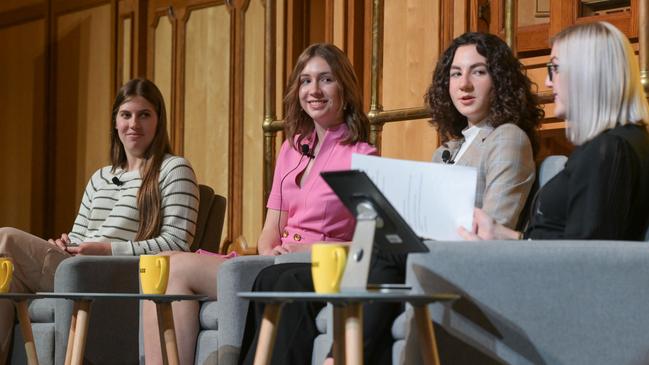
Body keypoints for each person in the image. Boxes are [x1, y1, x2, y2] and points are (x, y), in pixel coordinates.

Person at [240, 32, 544, 365]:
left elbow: (494, 228)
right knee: (277, 278)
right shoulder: (449, 148)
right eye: (456, 73)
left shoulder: (507, 138)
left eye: (479, 72)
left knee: (382, 247)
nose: (464, 84)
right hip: (419, 254)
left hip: (455, 261)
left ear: (499, 79)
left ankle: (338, 358)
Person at [142, 43, 377, 364]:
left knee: (179, 265)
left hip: (317, 267)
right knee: (163, 263)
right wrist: (272, 252)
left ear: (345, 89)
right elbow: (270, 230)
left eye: (326, 79)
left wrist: (304, 252)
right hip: (272, 261)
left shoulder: (363, 157)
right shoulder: (292, 149)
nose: (314, 90)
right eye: (305, 81)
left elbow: (370, 244)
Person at [0, 78, 199, 362]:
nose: (134, 124)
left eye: (144, 115)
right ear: (115, 122)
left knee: (4, 238)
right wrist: (65, 242)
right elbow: (80, 235)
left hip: (118, 273)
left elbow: (177, 243)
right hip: (78, 266)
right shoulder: (100, 176)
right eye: (126, 115)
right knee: (5, 274)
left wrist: (107, 249)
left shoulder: (173, 168)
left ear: (158, 121)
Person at [460, 21, 649, 242]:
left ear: (586, 73)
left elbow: (584, 263)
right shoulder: (622, 142)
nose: (548, 82)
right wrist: (510, 238)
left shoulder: (607, 150)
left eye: (555, 68)